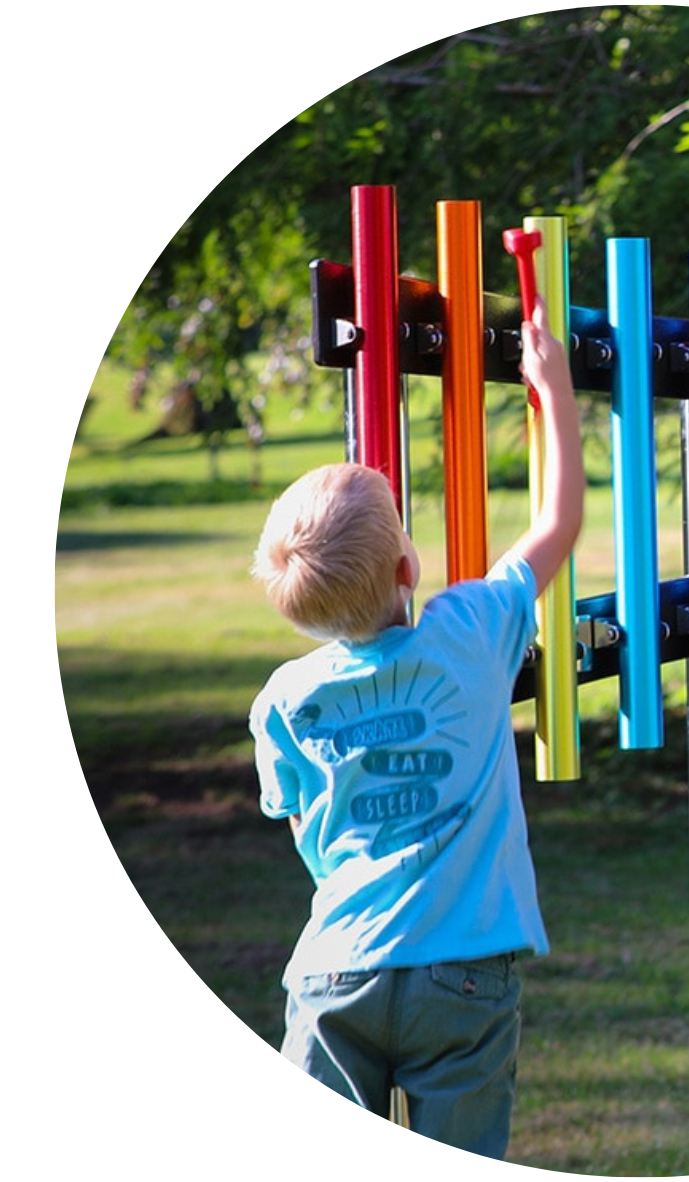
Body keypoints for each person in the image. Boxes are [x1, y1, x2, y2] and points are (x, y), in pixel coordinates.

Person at [247, 298, 583, 1156]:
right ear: (410, 566)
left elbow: (304, 832)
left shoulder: (284, 701)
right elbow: (557, 527)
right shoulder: (469, 631)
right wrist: (554, 390)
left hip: (333, 970)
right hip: (463, 973)